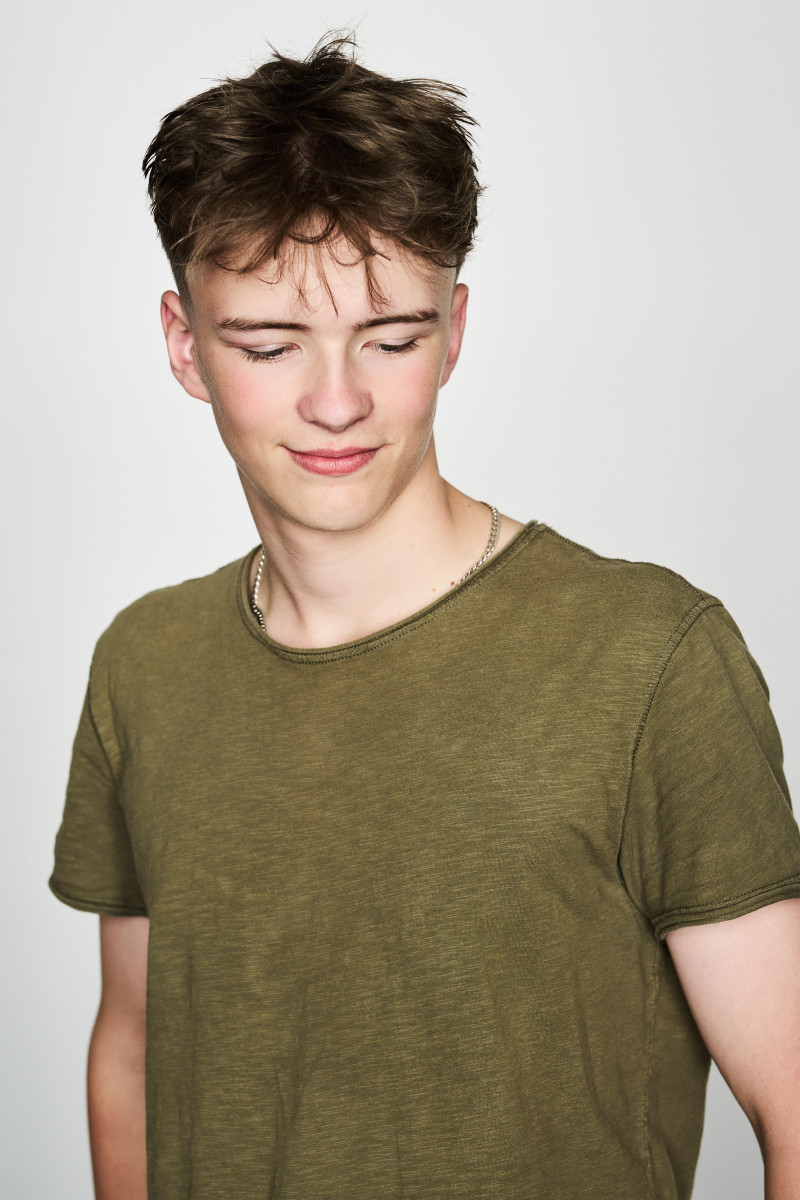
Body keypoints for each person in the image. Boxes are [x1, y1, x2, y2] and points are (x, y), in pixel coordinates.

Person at [49, 34, 800, 1200]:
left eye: (389, 339)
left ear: (452, 330)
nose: (336, 400)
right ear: (185, 348)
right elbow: (134, 1051)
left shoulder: (648, 660)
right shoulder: (144, 665)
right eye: (269, 344)